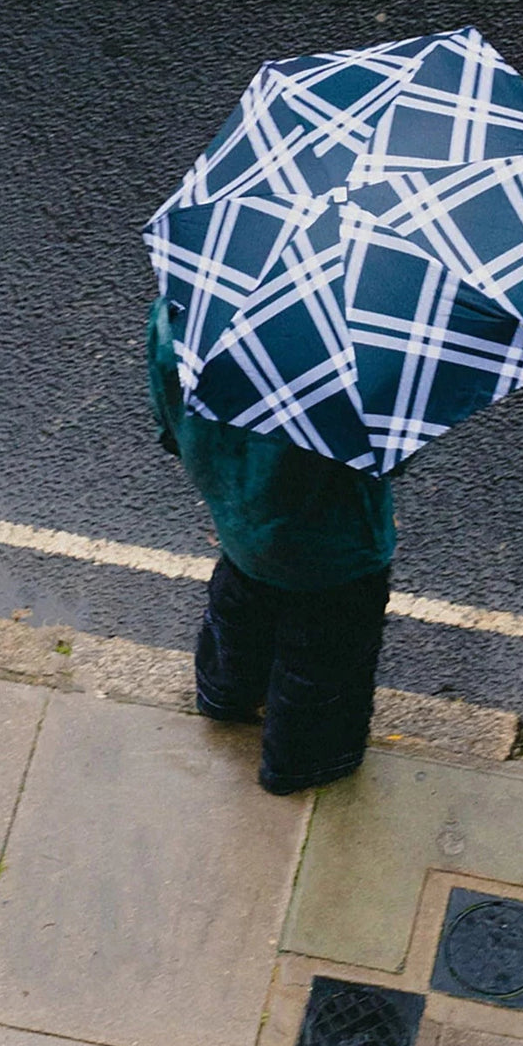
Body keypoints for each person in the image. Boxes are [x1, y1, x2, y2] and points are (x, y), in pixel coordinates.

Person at [146, 295, 396, 794]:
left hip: (239, 516)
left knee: (241, 607)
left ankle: (224, 695)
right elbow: (389, 451)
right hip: (334, 548)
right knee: (323, 661)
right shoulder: (359, 353)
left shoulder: (182, 312)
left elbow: (166, 413)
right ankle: (300, 762)